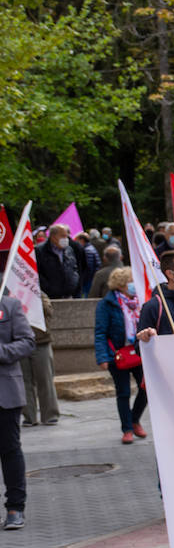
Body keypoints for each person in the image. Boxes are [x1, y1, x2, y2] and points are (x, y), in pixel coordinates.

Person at [94, 268, 147, 444]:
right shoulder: (107, 304)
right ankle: (127, 429)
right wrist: (102, 357)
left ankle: (134, 418)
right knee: (123, 392)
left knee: (146, 388)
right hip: (119, 355)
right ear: (121, 285)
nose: (133, 284)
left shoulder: (141, 300)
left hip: (140, 351)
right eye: (129, 281)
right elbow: (100, 332)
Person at [0, 293, 35, 529]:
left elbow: (27, 342)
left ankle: (15, 507)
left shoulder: (9, 305)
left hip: (5, 393)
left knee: (10, 451)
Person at [20, 294, 58, 427]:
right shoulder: (11, 294)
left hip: (41, 341)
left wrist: (34, 300)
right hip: (20, 342)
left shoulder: (38, 293)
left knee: (45, 379)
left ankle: (50, 415)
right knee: (24, 381)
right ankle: (29, 416)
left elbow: (49, 311)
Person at [36, 223, 80, 299]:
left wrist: (74, 282)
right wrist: (48, 288)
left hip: (68, 295)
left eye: (67, 236)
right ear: (53, 236)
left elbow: (74, 268)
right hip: (49, 297)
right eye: (63, 236)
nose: (66, 239)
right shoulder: (40, 250)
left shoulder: (69, 250)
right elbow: (37, 273)